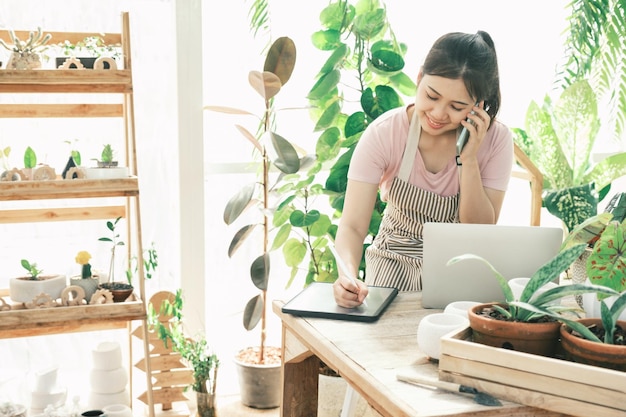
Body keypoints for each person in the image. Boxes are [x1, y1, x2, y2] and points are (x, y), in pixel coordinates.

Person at [333, 31, 514, 308]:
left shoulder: (496, 140)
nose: (439, 114)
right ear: (419, 79)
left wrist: (469, 159)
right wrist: (346, 276)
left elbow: (479, 229)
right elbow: (353, 226)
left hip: (458, 274)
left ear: (478, 105)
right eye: (431, 96)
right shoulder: (385, 133)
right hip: (391, 268)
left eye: (457, 106)